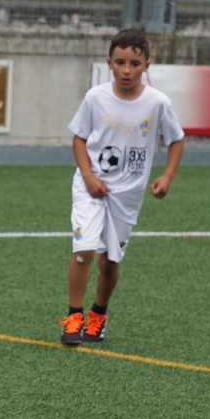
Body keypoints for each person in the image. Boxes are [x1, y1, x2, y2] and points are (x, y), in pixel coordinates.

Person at [61, 28, 185, 345]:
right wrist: (88, 177)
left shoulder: (158, 103)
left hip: (127, 196)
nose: (126, 70)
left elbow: (176, 139)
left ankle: (98, 315)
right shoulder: (95, 97)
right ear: (109, 63)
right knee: (83, 251)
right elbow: (79, 138)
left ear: (146, 66)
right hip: (90, 186)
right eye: (120, 63)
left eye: (134, 64)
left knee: (109, 262)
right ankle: (74, 317)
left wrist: (167, 176)